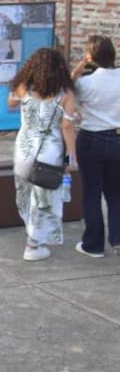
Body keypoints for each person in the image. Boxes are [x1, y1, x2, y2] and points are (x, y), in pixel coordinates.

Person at [8, 49, 78, 262]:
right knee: (44, 198)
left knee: (24, 191)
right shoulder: (65, 93)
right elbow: (67, 126)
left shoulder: (23, 87)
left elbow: (11, 104)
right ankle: (33, 244)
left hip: (24, 147)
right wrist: (72, 156)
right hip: (50, 150)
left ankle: (30, 230)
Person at [71, 36, 120, 258]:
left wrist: (79, 69)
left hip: (91, 138)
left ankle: (94, 244)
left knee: (92, 192)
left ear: (91, 57)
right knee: (115, 193)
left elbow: (69, 94)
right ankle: (118, 239)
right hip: (117, 137)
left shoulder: (86, 82)